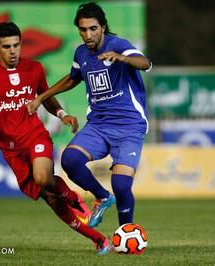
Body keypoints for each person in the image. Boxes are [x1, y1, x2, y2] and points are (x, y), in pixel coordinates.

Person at [0, 21, 112, 255]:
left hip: (35, 136)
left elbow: (46, 98)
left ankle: (73, 197)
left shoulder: (34, 69)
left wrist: (62, 114)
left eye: (17, 45)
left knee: (43, 178)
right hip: (11, 150)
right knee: (52, 200)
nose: (13, 51)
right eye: (7, 47)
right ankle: (99, 239)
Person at [27, 2, 152, 228]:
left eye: (93, 28)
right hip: (99, 125)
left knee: (122, 185)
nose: (88, 34)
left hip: (129, 125)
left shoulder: (119, 45)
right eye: (83, 30)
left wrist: (123, 58)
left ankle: (126, 232)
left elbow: (145, 63)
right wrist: (42, 96)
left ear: (103, 27)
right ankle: (102, 196)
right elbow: (74, 77)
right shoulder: (81, 53)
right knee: (70, 160)